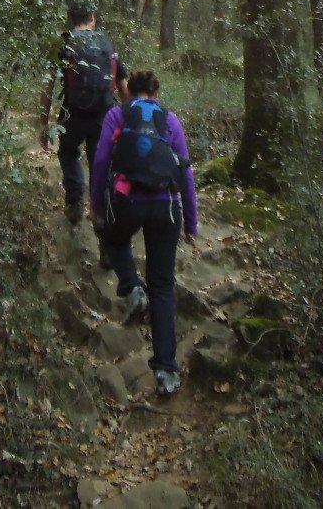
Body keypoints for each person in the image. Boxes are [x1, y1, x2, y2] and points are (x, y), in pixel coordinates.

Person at [90, 69, 197, 398]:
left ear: (129, 92)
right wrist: (191, 222)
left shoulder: (116, 114)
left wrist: (96, 207)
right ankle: (166, 372)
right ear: (155, 93)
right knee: (163, 286)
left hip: (128, 202)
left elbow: (100, 162)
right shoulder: (170, 120)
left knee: (113, 238)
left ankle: (133, 288)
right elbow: (186, 172)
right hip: (166, 207)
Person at [39, 0, 127, 225]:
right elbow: (123, 85)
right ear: (92, 18)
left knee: (68, 152)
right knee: (101, 162)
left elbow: (47, 87)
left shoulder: (65, 43)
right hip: (104, 116)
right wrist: (129, 119)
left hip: (73, 114)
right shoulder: (106, 43)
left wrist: (43, 123)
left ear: (70, 20)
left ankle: (75, 201)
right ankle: (101, 217)